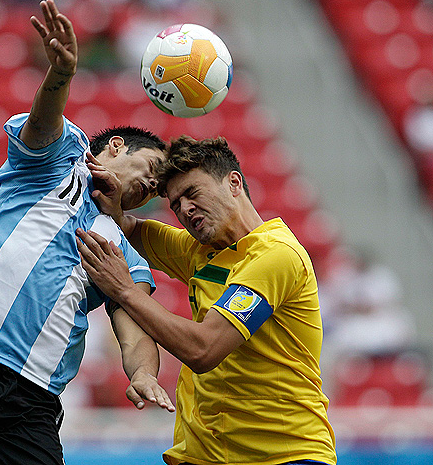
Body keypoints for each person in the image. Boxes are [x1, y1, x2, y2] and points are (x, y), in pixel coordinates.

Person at [0, 0, 173, 465]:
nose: (152, 184)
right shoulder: (58, 162)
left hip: (33, 397)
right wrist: (61, 75)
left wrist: (144, 372)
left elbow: (133, 326)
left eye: (157, 188)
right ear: (116, 146)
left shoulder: (125, 252)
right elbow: (43, 122)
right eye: (151, 168)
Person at [77, 135, 337, 465]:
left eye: (192, 194)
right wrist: (111, 195)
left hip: (283, 455)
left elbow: (203, 350)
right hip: (204, 457)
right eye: (175, 204)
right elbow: (124, 227)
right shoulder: (202, 252)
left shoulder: (275, 256)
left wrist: (126, 290)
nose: (184, 209)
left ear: (233, 183)